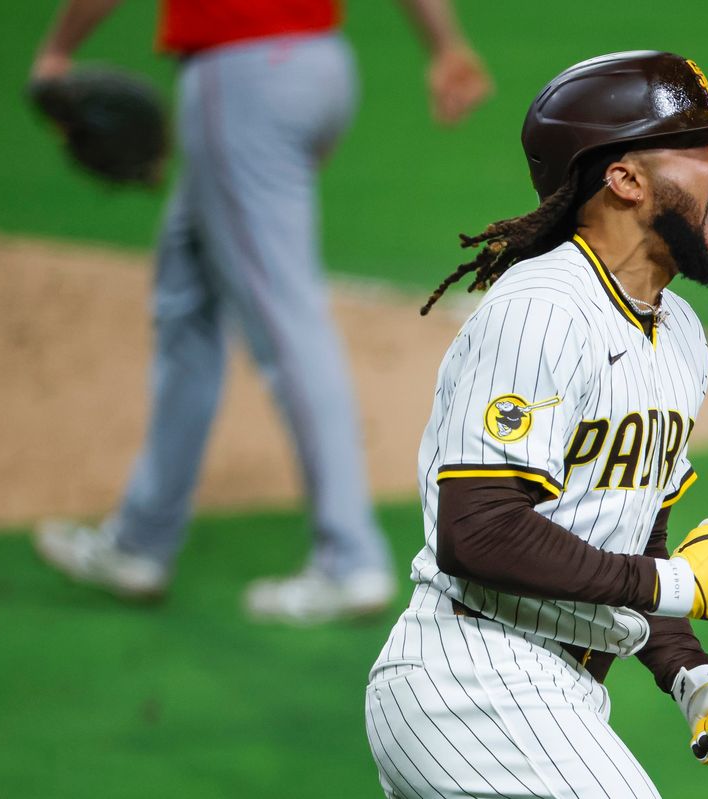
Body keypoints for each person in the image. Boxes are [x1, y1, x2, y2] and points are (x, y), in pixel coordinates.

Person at [363, 51, 708, 798]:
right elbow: (477, 531)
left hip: (557, 692)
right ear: (625, 178)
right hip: (474, 677)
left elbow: (633, 538)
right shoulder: (543, 310)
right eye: (696, 142)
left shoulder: (678, 331)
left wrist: (692, 675)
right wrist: (676, 583)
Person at [29, 0, 492, 623]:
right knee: (187, 297)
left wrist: (56, 49)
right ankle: (140, 542)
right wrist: (444, 42)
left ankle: (349, 560)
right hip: (320, 67)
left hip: (243, 78)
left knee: (285, 320)